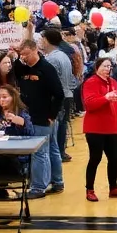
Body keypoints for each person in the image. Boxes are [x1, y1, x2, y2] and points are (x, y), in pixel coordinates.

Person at [13, 39, 65, 198]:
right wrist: (16, 55)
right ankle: (57, 182)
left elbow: (59, 94)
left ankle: (38, 188)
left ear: (35, 50)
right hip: (32, 115)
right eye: (22, 56)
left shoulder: (46, 68)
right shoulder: (24, 67)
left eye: (27, 54)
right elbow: (17, 70)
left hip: (43, 116)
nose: (25, 58)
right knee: (52, 149)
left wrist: (52, 115)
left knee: (39, 152)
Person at [81, 57, 117, 202]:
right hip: (95, 128)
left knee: (114, 158)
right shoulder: (90, 83)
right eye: (104, 66)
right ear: (97, 67)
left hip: (111, 128)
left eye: (109, 66)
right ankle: (90, 189)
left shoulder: (114, 83)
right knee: (95, 158)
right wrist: (105, 98)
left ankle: (113, 187)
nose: (107, 69)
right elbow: (89, 105)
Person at [38, 29, 75, 161]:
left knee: (56, 128)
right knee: (62, 126)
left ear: (47, 40)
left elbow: (49, 81)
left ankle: (56, 154)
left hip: (57, 97)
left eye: (42, 39)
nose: (40, 42)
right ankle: (61, 152)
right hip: (67, 94)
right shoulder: (63, 55)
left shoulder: (52, 59)